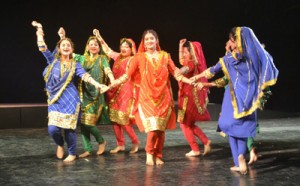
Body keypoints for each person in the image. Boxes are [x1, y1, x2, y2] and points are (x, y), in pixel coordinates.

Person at [190, 27, 278, 174]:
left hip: (232, 99)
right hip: (249, 100)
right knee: (242, 131)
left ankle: (238, 161)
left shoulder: (230, 59)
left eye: (231, 39)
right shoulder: (254, 58)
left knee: (230, 129)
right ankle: (241, 158)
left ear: (234, 40)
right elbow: (266, 65)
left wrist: (197, 77)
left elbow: (213, 70)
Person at [110, 29, 193, 166]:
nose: (149, 41)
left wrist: (191, 81)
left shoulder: (165, 56)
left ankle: (158, 154)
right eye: (146, 39)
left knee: (160, 129)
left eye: (151, 38)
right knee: (153, 128)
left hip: (164, 97)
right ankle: (149, 153)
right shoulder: (139, 57)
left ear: (157, 40)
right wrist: (114, 83)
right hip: (147, 97)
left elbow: (176, 74)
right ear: (144, 42)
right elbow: (127, 75)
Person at [31, 21, 108, 162]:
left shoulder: (75, 64)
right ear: (59, 49)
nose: (66, 47)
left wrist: (98, 84)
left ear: (72, 49)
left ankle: (72, 153)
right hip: (55, 99)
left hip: (71, 99)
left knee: (69, 129)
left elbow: (85, 76)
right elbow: (42, 46)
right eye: (63, 45)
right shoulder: (52, 60)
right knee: (53, 129)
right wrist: (40, 30)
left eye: (68, 45)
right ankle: (60, 144)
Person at [61, 30, 114, 158]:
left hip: (96, 94)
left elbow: (107, 71)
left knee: (88, 123)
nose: (94, 46)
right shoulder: (81, 58)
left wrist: (112, 81)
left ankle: (101, 141)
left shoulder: (102, 59)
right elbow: (66, 52)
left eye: (96, 44)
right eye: (91, 44)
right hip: (82, 94)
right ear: (87, 46)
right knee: (83, 123)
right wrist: (62, 37)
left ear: (99, 47)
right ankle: (88, 149)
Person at [93, 29, 140, 154]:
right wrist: (99, 37)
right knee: (114, 118)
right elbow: (107, 49)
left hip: (126, 90)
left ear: (131, 49)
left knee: (122, 119)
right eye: (122, 46)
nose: (124, 48)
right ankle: (120, 144)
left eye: (127, 47)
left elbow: (128, 76)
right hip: (113, 90)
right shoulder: (118, 57)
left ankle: (135, 142)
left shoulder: (132, 60)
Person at [177, 39, 211, 157]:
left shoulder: (191, 63)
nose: (184, 54)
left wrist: (171, 69)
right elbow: (181, 60)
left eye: (186, 52)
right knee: (189, 124)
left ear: (192, 52)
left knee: (184, 124)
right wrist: (180, 46)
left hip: (187, 97)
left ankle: (195, 149)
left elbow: (181, 71)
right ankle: (205, 141)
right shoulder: (192, 61)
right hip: (189, 96)